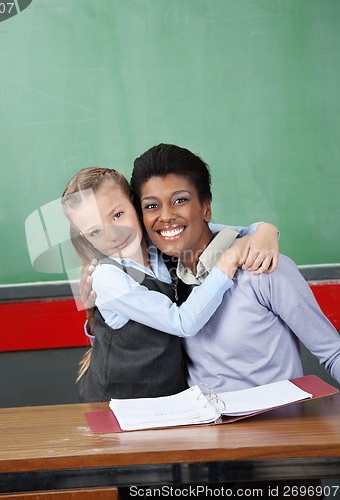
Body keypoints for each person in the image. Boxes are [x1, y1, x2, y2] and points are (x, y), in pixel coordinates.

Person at [128, 144, 340, 390]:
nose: (165, 216)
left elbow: (333, 352)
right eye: (151, 206)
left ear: (206, 208)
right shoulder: (162, 276)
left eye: (180, 200)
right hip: (203, 423)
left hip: (276, 423)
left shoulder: (262, 268)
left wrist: (264, 230)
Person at [61, 167, 279, 402]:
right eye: (95, 231)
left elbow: (230, 233)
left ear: (136, 204)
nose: (112, 235)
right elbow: (182, 323)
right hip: (118, 403)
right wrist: (228, 260)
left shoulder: (162, 244)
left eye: (117, 215)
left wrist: (265, 230)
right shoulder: (107, 277)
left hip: (169, 398)